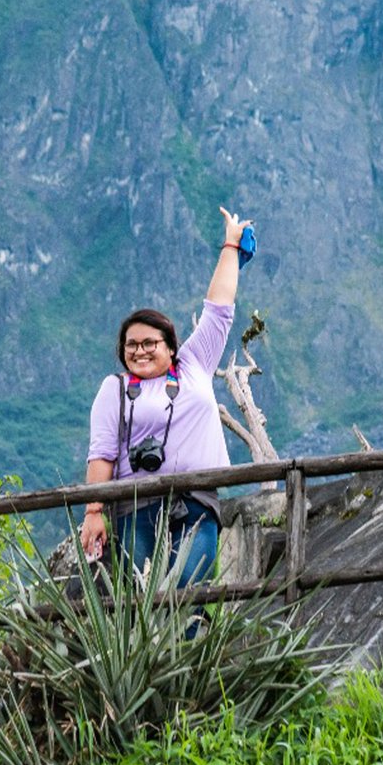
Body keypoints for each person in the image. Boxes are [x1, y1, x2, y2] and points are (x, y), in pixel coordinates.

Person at [79, 207, 254, 586]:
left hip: (196, 500)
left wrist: (230, 245)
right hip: (135, 506)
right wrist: (94, 511)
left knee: (188, 588)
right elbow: (102, 453)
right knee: (142, 593)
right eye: (131, 345)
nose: (139, 351)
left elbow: (219, 310)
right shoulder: (115, 389)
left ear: (171, 346)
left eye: (149, 343)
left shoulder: (194, 365)